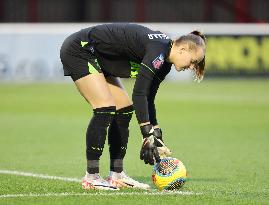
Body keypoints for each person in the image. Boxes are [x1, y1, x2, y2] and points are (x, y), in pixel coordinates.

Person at [60, 23, 206, 190]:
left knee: (124, 108)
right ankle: (91, 177)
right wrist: (146, 134)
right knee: (105, 107)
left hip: (100, 57)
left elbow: (148, 98)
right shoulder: (158, 49)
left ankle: (117, 175)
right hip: (81, 49)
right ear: (183, 50)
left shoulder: (165, 61)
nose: (193, 67)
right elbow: (139, 93)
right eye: (194, 61)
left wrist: (156, 135)